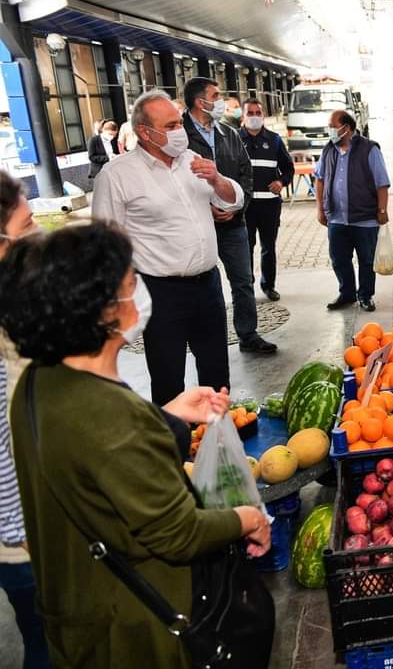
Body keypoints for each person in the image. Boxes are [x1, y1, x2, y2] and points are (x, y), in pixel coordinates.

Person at [0, 221, 271, 668]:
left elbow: (90, 458)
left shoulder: (39, 382)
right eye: (131, 283)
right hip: (137, 628)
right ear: (104, 312)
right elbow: (178, 534)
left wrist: (164, 416)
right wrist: (246, 518)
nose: (141, 292)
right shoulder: (111, 417)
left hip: (76, 616)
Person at [91, 89, 243, 406]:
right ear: (145, 132)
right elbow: (106, 242)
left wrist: (216, 179)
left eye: (179, 123)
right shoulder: (118, 175)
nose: (181, 131)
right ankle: (174, 445)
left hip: (208, 285)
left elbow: (233, 200)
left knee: (217, 371)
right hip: (160, 291)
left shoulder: (192, 162)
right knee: (168, 375)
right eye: (171, 125)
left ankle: (220, 437)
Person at [183, 77, 276, 354]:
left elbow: (246, 173)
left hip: (234, 224)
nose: (222, 101)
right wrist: (205, 209)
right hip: (197, 227)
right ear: (202, 102)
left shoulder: (228, 133)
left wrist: (237, 206)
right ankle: (202, 339)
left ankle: (248, 334)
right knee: (198, 284)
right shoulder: (180, 135)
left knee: (242, 281)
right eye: (216, 95)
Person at [0, 172, 50, 669]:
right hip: (29, 544)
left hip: (30, 536)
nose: (37, 233)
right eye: (28, 222)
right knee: (51, 647)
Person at [314, 109, 390, 312]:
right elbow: (319, 179)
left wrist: (382, 210)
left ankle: (365, 295)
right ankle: (346, 294)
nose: (329, 130)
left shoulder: (369, 149)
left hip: (364, 218)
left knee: (366, 260)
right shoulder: (328, 149)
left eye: (332, 126)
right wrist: (320, 208)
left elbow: (382, 183)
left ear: (346, 128)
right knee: (339, 259)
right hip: (337, 218)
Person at [239, 97, 294, 302]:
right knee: (245, 248)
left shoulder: (274, 140)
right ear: (243, 116)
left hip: (269, 206)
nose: (254, 117)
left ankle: (268, 285)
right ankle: (247, 287)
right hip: (244, 207)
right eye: (250, 113)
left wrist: (281, 182)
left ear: (263, 116)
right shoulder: (235, 139)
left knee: (268, 248)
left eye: (258, 113)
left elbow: (288, 168)